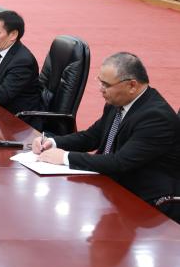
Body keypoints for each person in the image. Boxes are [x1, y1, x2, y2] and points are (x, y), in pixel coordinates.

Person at [32, 52, 180, 220]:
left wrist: (65, 157)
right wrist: (53, 142)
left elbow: (120, 162)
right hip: (112, 184)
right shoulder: (118, 102)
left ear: (132, 85)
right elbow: (91, 137)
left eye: (106, 85)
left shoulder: (155, 117)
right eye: (100, 82)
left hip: (147, 204)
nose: (101, 89)